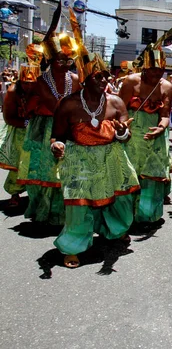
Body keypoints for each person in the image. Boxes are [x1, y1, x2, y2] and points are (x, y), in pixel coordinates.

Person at [51, 53, 139, 268]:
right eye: (97, 77)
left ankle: (115, 230)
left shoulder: (116, 102)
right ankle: (73, 246)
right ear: (84, 79)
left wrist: (120, 132)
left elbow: (126, 135)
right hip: (79, 159)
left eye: (106, 77)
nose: (103, 81)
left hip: (111, 158)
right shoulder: (69, 104)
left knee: (121, 198)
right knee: (79, 204)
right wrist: (56, 145)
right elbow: (57, 135)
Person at [17, 5, 81, 225]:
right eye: (60, 61)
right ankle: (43, 211)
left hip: (68, 126)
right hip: (46, 128)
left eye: (68, 60)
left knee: (65, 171)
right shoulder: (42, 81)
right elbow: (57, 106)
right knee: (46, 170)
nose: (64, 64)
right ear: (51, 61)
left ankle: (63, 213)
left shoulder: (74, 79)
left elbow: (78, 102)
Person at [119, 28, 172, 228]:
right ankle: (127, 215)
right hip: (132, 135)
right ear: (145, 67)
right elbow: (119, 109)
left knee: (151, 177)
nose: (156, 74)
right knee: (130, 173)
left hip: (154, 136)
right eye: (153, 70)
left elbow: (164, 115)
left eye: (160, 71)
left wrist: (161, 128)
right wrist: (123, 128)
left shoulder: (167, 87)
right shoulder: (130, 82)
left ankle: (147, 216)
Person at [0, 64, 37, 208]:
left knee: (35, 164)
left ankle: (34, 194)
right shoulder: (13, 91)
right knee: (20, 164)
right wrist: (27, 123)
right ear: (20, 81)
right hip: (19, 132)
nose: (28, 86)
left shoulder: (40, 91)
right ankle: (14, 193)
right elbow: (9, 117)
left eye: (31, 83)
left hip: (37, 132)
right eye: (25, 83)